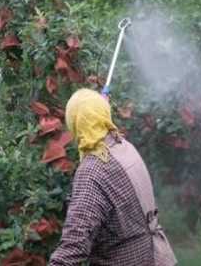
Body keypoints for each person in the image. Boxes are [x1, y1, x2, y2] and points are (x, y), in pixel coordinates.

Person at [49, 89, 177, 266]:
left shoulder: (93, 171)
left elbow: (75, 243)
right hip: (156, 256)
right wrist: (97, 107)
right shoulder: (124, 146)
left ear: (75, 124)